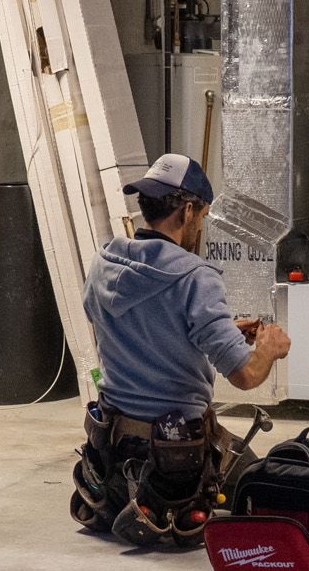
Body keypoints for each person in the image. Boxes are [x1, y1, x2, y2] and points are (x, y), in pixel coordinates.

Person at [72, 153, 291, 548]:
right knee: (269, 489)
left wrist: (215, 331)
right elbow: (246, 376)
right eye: (202, 216)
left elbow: (128, 325)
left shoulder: (103, 264)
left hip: (114, 449)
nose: (200, 226)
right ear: (188, 211)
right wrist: (269, 348)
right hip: (177, 457)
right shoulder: (196, 279)